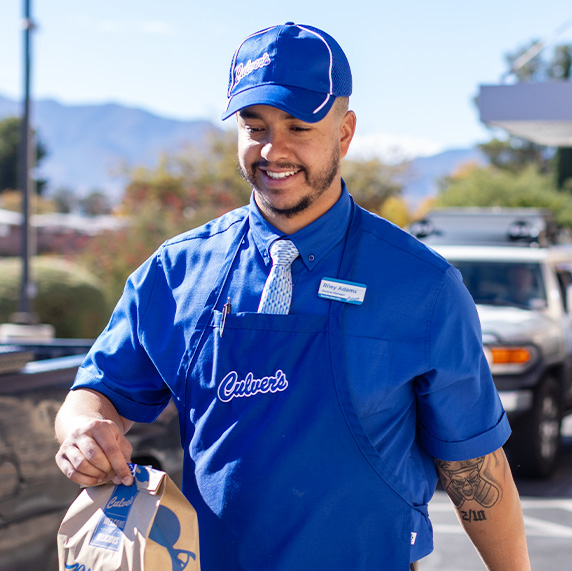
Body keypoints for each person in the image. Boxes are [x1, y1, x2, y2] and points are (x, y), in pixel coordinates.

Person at [55, 22, 530, 570]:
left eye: (299, 127)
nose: (272, 149)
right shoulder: (176, 273)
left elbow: (475, 466)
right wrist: (82, 431)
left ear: (345, 133)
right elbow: (95, 393)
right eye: (254, 127)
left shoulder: (422, 288)